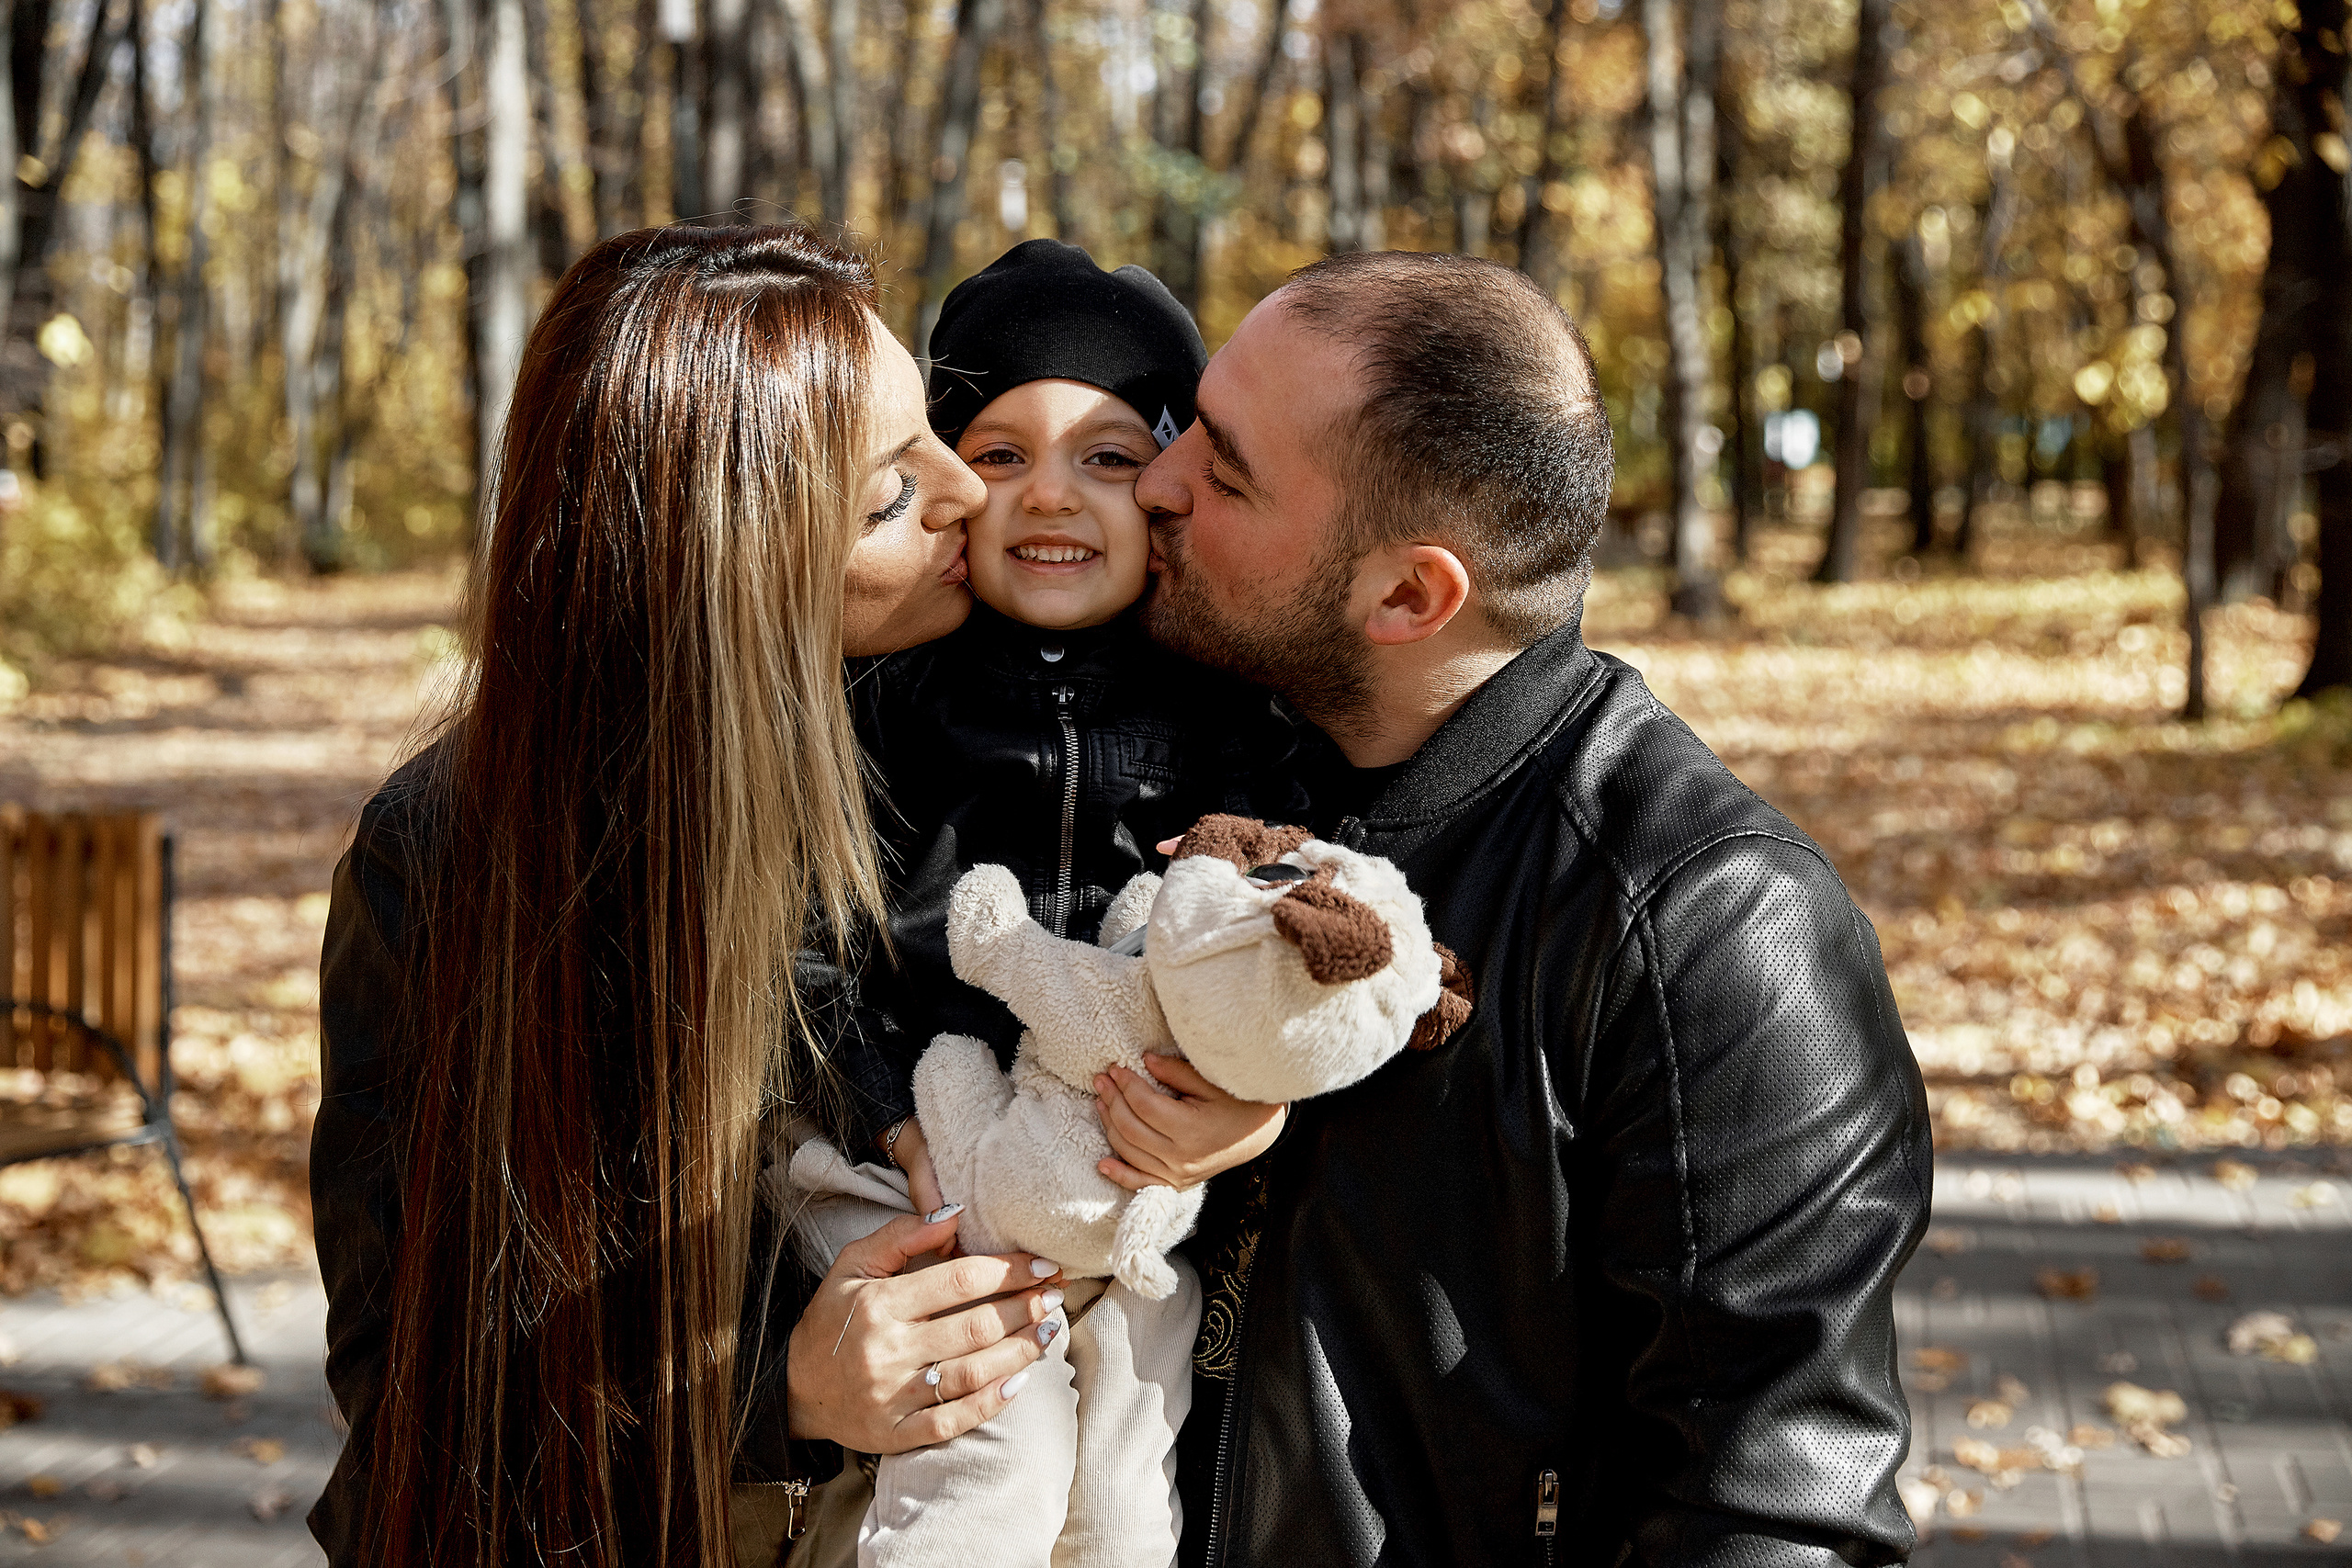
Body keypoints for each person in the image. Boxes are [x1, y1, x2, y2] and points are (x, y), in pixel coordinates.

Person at [1126, 250, 1932, 1566]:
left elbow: (1777, 1511)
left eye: (1221, 472)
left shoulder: (1708, 926)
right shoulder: (1196, 778)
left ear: (1409, 596)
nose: (1156, 483)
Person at [308, 225, 1069, 1568]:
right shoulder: (453, 855)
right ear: (732, 565)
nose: (968, 495)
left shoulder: (974, 768)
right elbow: (406, 1386)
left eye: (937, 437)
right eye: (892, 495)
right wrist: (779, 1399)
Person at [799, 239, 1304, 1564]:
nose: (1050, 496)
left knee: (1126, 1501)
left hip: (1124, 1167)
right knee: (986, 1444)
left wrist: (1255, 1091)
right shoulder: (891, 693)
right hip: (918, 1146)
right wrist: (880, 1110)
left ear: (1177, 484)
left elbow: (1287, 918)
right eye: (1002, 452)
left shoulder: (1232, 712)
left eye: (1109, 457)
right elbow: (804, 939)